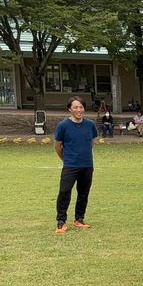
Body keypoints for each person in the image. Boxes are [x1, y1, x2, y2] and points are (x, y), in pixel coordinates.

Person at [54, 96, 98, 233]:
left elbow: (92, 142)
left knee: (83, 193)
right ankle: (61, 221)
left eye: (81, 107)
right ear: (70, 109)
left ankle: (79, 219)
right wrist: (66, 159)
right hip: (70, 165)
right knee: (64, 192)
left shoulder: (90, 124)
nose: (79, 110)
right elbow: (57, 145)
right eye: (75, 107)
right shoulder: (63, 126)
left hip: (87, 165)